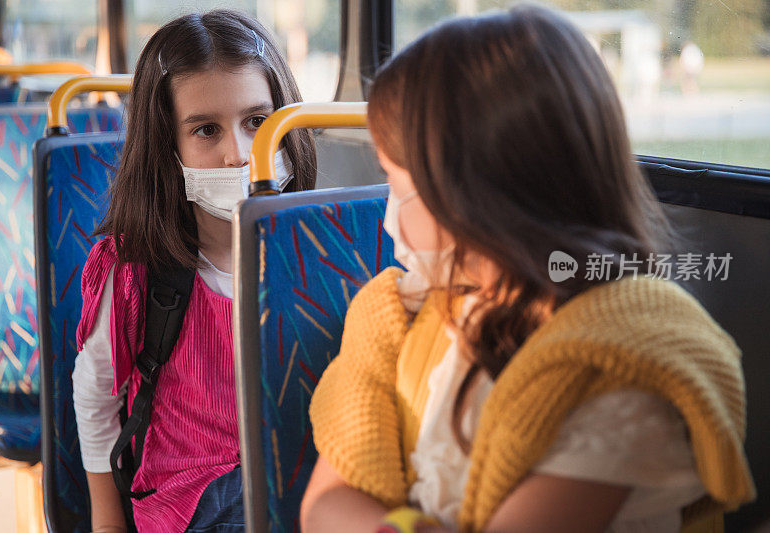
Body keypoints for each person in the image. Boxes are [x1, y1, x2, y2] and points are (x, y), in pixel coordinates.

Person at [301, 6, 753, 533]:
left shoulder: (626, 374)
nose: (386, 218)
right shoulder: (405, 315)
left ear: (479, 198)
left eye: (397, 185)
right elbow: (325, 506)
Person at [72, 10, 316, 533]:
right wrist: (108, 522)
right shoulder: (136, 272)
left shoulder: (320, 255)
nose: (240, 153)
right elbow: (96, 399)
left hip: (299, 478)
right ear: (168, 150)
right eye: (206, 130)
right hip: (190, 497)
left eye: (258, 122)